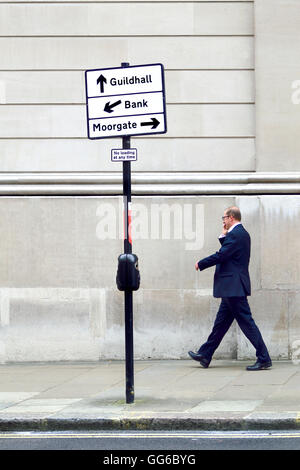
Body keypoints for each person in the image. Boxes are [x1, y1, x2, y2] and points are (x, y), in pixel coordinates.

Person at [188, 206, 272, 371]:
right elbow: (229, 252)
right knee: (220, 325)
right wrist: (223, 235)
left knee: (247, 323)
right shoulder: (238, 234)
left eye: (224, 218)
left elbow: (222, 255)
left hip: (233, 287)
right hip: (231, 287)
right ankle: (205, 354)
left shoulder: (237, 234)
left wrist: (201, 263)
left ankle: (264, 358)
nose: (223, 221)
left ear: (231, 217)